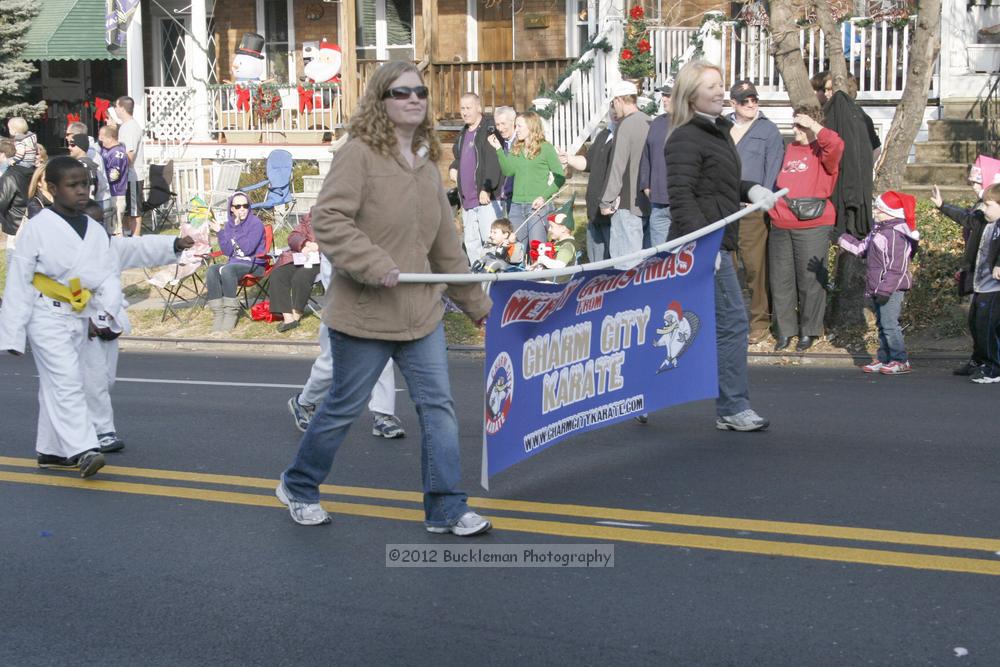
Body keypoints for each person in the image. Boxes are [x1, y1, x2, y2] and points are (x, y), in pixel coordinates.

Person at [278, 61, 493, 535]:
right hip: (364, 316)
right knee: (342, 408)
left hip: (422, 316)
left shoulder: (427, 165)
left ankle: (447, 509)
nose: (414, 99)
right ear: (381, 100)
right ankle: (299, 485)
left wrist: (478, 307)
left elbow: (446, 250)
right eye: (401, 93)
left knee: (438, 408)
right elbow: (330, 220)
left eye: (419, 92)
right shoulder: (357, 155)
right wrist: (375, 265)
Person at [664, 59, 775, 432]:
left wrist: (750, 189)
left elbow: (720, 184)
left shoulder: (719, 131)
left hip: (717, 242)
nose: (719, 91)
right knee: (731, 323)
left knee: (685, 326)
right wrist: (703, 245)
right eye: (710, 85)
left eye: (720, 84)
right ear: (691, 94)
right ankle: (732, 407)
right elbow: (681, 197)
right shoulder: (684, 137)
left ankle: (642, 392)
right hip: (703, 245)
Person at [0, 157, 123, 478]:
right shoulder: (38, 227)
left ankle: (50, 450)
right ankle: (84, 448)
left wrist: (105, 312)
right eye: (73, 185)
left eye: (86, 184)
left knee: (57, 384)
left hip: (80, 315)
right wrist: (11, 334)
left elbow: (105, 276)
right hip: (44, 315)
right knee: (66, 380)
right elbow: (19, 278)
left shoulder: (95, 229)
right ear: (52, 189)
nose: (82, 191)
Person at [80, 200, 194, 452]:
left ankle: (83, 425)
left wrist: (173, 243)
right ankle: (103, 432)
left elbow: (139, 247)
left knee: (106, 380)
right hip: (84, 322)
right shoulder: (68, 252)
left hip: (110, 322)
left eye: (102, 222)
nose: (99, 228)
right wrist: (80, 317)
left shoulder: (111, 246)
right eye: (92, 222)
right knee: (95, 380)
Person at [287, 255, 406, 439]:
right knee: (332, 365)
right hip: (341, 307)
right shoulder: (334, 232)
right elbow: (332, 281)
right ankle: (304, 403)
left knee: (383, 358)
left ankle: (382, 415)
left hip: (374, 304)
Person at [767, 109, 844, 352]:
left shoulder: (823, 151)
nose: (795, 130)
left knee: (810, 281)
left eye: (801, 126)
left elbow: (836, 145)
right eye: (795, 125)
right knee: (781, 280)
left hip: (813, 224)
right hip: (782, 222)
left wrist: (813, 126)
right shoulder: (788, 150)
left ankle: (809, 330)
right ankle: (784, 330)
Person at [727, 80, 785, 344]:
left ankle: (759, 322)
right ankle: (729, 321)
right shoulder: (722, 128)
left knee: (754, 268)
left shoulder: (768, 130)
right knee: (726, 268)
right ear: (733, 104)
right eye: (744, 101)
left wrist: (762, 200)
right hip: (725, 210)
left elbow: (773, 169)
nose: (751, 105)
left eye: (754, 100)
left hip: (751, 210)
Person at [838, 191, 920, 375]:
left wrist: (885, 290)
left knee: (890, 324)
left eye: (879, 209)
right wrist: (841, 238)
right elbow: (861, 249)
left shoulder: (895, 235)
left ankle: (900, 360)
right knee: (883, 324)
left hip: (891, 288)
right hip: (878, 285)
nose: (875, 211)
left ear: (892, 213)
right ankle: (885, 358)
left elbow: (896, 268)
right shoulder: (879, 230)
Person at [932, 182, 1000, 384]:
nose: (984, 209)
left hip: (995, 287)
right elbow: (963, 216)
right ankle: (979, 360)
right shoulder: (981, 221)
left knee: (986, 326)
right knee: (974, 323)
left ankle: (993, 368)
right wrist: (942, 205)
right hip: (980, 284)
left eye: (988, 205)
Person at [489, 111, 565, 247]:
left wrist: (544, 197)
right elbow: (508, 171)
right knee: (515, 251)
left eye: (519, 126)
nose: (516, 130)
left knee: (536, 250)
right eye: (515, 126)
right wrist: (498, 149)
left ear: (531, 126)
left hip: (537, 207)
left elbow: (560, 177)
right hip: (516, 206)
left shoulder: (546, 148)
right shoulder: (516, 147)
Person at [560, 102, 619, 262]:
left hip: (613, 214)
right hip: (594, 214)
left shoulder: (625, 136)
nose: (614, 111)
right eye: (612, 107)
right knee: (595, 265)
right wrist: (569, 159)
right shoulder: (604, 134)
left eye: (617, 106)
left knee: (613, 265)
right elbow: (587, 162)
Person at [449, 93, 503, 265]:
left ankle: (492, 285)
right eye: (462, 108)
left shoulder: (489, 129)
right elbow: (459, 158)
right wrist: (453, 167)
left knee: (490, 243)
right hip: (467, 200)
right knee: (471, 244)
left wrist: (487, 187)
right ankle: (477, 283)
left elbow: (494, 161)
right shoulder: (463, 133)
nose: (464, 112)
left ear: (479, 108)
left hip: (486, 198)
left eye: (468, 108)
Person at [600, 80, 651, 260]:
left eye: (614, 103)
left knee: (625, 266)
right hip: (647, 203)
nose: (614, 108)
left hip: (626, 204)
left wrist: (606, 201)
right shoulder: (648, 121)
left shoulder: (626, 125)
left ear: (619, 100)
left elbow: (617, 167)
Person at [206, 192, 266, 332]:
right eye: (238, 206)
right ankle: (219, 313)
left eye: (245, 205)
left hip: (255, 264)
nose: (242, 209)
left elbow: (248, 249)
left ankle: (230, 314)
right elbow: (228, 251)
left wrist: (238, 229)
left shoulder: (255, 223)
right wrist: (220, 232)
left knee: (228, 269)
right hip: (235, 263)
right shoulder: (229, 225)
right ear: (231, 209)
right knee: (212, 270)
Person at [268, 212, 321, 332]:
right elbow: (293, 236)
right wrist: (305, 244)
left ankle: (297, 313)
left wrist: (318, 247)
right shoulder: (309, 217)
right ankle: (288, 318)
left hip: (322, 261)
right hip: (301, 257)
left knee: (301, 276)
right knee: (278, 273)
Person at [638, 83, 672, 247]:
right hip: (658, 202)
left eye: (669, 95)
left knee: (683, 258)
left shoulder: (692, 123)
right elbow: (646, 156)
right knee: (661, 258)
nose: (664, 98)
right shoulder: (657, 123)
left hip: (683, 203)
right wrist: (645, 184)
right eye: (664, 95)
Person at [114, 95, 145, 236]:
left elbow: (129, 155)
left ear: (122, 108)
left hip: (133, 176)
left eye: (116, 106)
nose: (115, 109)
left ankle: (136, 240)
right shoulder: (124, 127)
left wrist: (115, 166)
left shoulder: (131, 128)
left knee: (134, 211)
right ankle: (127, 236)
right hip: (125, 177)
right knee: (127, 211)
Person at [67, 121, 111, 218]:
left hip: (97, 202)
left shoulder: (87, 160)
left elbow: (93, 185)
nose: (69, 147)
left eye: (68, 134)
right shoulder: (84, 160)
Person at [528, 208, 577, 283]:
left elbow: (559, 265)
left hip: (555, 283)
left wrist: (542, 259)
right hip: (548, 278)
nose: (549, 229)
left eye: (552, 226)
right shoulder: (559, 243)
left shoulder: (567, 245)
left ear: (563, 229)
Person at [99, 124, 129, 236]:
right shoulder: (106, 150)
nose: (100, 139)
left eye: (102, 136)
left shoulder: (117, 153)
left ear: (110, 138)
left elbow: (114, 175)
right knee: (110, 228)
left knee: (115, 229)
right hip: (109, 193)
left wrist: (100, 179)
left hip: (116, 194)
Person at [493, 106, 517, 213]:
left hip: (520, 197)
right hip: (506, 196)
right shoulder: (499, 141)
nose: (500, 128)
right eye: (497, 124)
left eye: (503, 124)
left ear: (513, 122)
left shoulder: (521, 141)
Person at [68, 134, 101, 199]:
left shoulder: (80, 166)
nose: (69, 147)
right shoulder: (91, 164)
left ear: (81, 147)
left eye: (73, 145)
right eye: (69, 145)